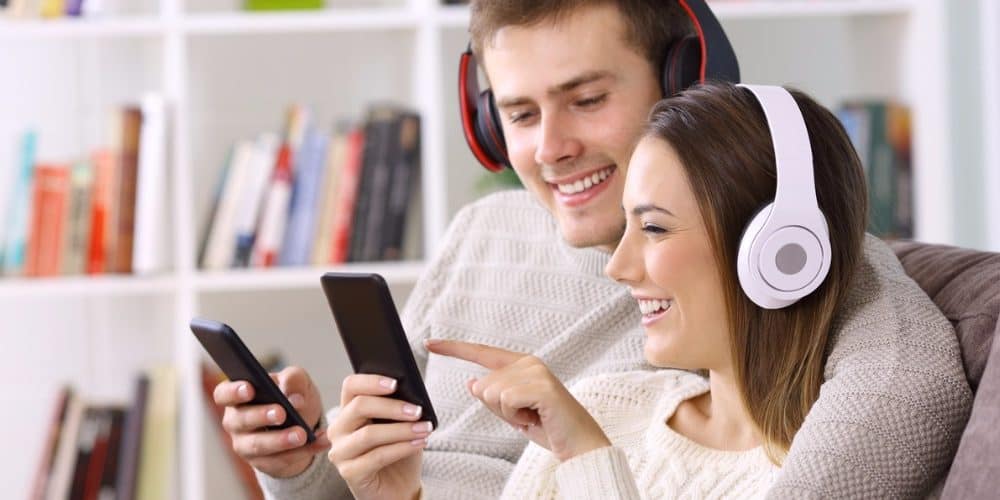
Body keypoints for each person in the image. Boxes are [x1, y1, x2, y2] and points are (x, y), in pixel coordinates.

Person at [212, 1, 972, 499]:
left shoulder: (782, 266)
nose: (551, 148)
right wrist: (304, 472)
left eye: (586, 99)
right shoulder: (485, 232)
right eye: (518, 113)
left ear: (687, 82)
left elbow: (913, 389)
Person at [421, 81, 955, 499]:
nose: (619, 267)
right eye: (626, 226)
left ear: (782, 252)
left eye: (653, 228)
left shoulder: (836, 476)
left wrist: (590, 461)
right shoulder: (601, 406)